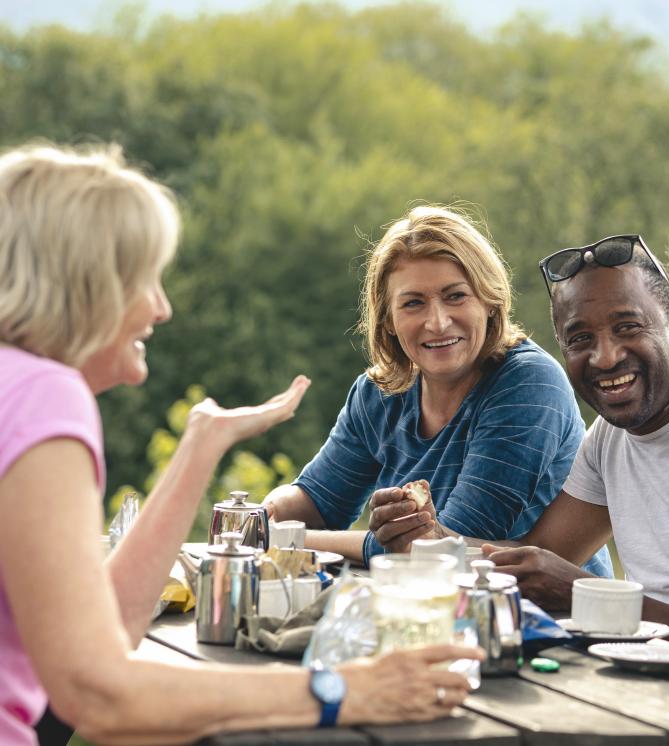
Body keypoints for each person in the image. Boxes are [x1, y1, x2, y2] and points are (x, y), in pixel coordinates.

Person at [0, 144, 481, 745]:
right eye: (143, 278)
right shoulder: (43, 395)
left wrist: (202, 447)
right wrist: (342, 689)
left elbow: (108, 629)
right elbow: (98, 692)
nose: (160, 306)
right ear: (86, 283)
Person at [263, 205, 611, 575]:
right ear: (389, 320)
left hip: (545, 617)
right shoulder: (378, 394)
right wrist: (266, 514)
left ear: (490, 302)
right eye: (413, 303)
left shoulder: (530, 383)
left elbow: (445, 548)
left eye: (455, 296)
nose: (438, 322)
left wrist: (287, 539)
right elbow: (316, 503)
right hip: (428, 609)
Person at [447, 235, 669, 649]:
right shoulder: (608, 437)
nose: (605, 357)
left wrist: (586, 592)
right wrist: (431, 539)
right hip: (639, 665)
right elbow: (544, 552)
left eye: (627, 328)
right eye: (580, 340)